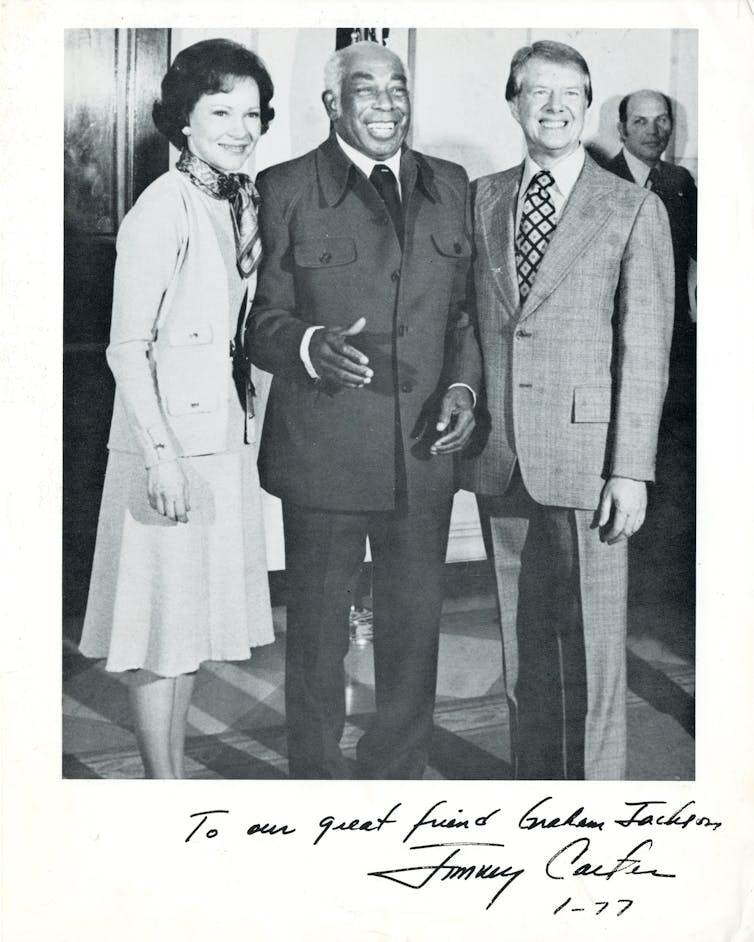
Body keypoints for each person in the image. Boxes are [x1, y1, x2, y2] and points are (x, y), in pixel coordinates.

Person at [246, 41, 479, 779]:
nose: (386, 103)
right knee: (318, 636)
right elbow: (259, 322)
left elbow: (467, 316)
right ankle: (316, 777)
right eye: (365, 90)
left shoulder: (452, 183)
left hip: (422, 453)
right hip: (323, 452)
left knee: (415, 628)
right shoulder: (283, 186)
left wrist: (464, 389)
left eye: (397, 88)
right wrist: (310, 345)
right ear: (332, 105)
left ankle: (396, 770)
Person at [460, 41, 674, 779]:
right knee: (523, 646)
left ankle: (599, 807)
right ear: (513, 102)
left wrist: (631, 471)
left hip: (593, 463)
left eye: (569, 95)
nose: (553, 107)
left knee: (595, 650)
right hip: (502, 456)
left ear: (587, 106)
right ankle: (534, 792)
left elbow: (646, 351)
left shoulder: (632, 207)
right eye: (537, 93)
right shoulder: (483, 198)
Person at [79, 39, 276, 779]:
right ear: (183, 121)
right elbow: (126, 348)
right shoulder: (162, 207)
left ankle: (173, 778)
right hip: (164, 450)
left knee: (188, 626)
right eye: (221, 110)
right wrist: (160, 455)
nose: (240, 127)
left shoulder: (234, 200)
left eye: (251, 113)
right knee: (159, 632)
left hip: (218, 442)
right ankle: (164, 789)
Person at [605, 89, 697, 385]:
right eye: (640, 121)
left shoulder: (680, 180)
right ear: (622, 130)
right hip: (618, 338)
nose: (654, 131)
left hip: (678, 338)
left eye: (662, 120)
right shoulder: (600, 182)